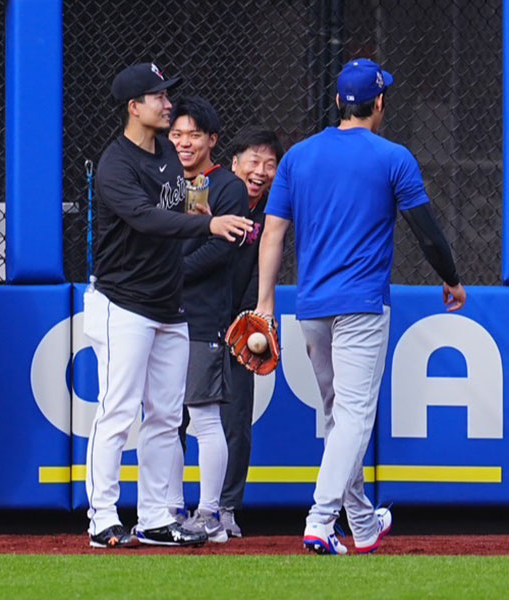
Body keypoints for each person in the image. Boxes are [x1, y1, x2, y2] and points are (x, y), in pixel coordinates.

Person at [256, 58, 466, 555]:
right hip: (362, 304)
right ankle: (320, 520)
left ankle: (364, 524)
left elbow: (273, 234)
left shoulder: (298, 157)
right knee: (352, 416)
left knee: (339, 417)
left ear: (336, 103)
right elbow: (426, 232)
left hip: (311, 306)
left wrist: (265, 303)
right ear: (379, 104)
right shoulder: (392, 156)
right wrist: (451, 279)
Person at [84, 62, 253, 549]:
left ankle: (157, 516)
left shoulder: (166, 154)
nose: (167, 103)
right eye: (158, 96)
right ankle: (102, 516)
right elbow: (145, 219)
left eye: (167, 94)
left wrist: (205, 213)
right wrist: (209, 225)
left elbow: (187, 206)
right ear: (133, 107)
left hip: (169, 306)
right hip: (124, 302)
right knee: (116, 412)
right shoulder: (116, 163)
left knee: (163, 416)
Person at [164, 96, 249, 543]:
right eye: (176, 133)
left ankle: (211, 513)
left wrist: (167, 274)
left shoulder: (229, 186)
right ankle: (172, 510)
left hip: (202, 317)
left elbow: (224, 245)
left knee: (204, 417)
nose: (183, 142)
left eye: (194, 134)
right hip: (161, 316)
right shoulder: (163, 182)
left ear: (212, 140)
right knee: (165, 419)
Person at [218, 127, 283, 538]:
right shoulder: (209, 197)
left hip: (243, 327)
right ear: (234, 164)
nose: (260, 172)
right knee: (173, 416)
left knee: (237, 419)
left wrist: (263, 310)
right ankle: (164, 506)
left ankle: (225, 509)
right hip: (194, 319)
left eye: (270, 165)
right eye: (253, 162)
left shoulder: (274, 212)